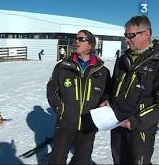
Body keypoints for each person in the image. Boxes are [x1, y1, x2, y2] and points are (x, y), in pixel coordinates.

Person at [107, 15, 159, 164]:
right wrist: (106, 99)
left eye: (131, 35)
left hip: (140, 130)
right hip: (117, 125)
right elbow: (112, 86)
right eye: (125, 35)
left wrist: (136, 121)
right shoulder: (122, 60)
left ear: (146, 34)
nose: (126, 39)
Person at [47, 30, 111, 164]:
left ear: (91, 45)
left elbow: (108, 92)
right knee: (57, 159)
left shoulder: (102, 71)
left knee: (82, 160)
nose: (76, 41)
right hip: (66, 122)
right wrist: (61, 109)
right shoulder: (62, 67)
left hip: (89, 123)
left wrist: (106, 100)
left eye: (81, 39)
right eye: (76, 38)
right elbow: (51, 89)